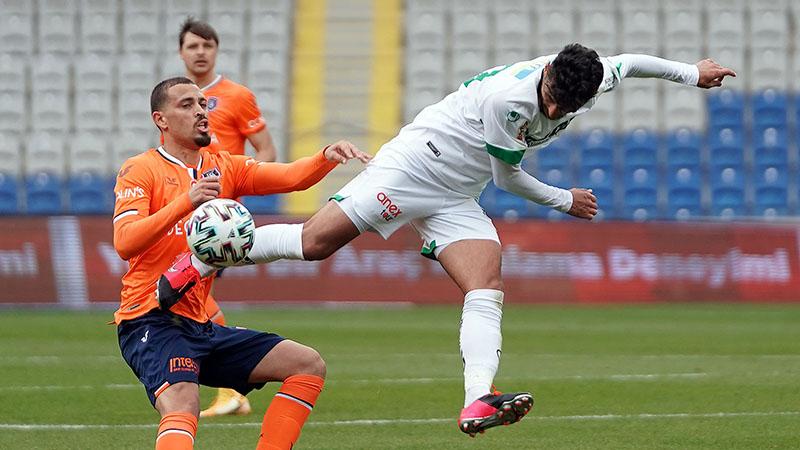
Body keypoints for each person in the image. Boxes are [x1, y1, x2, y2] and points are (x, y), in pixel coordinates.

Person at [158, 44, 737, 437]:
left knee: (485, 281)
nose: (556, 110)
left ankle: (477, 398)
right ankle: (203, 255)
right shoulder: (509, 99)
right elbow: (510, 177)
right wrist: (565, 199)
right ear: (548, 78)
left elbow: (631, 63)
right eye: (553, 97)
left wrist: (692, 74)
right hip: (415, 167)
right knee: (315, 244)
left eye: (568, 106)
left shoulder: (590, 76)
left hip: (458, 193)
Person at [114, 76, 369, 449]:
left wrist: (325, 156)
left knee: (306, 364)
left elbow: (291, 178)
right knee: (183, 401)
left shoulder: (223, 166)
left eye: (202, 103)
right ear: (161, 120)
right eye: (186, 105)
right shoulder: (140, 169)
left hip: (199, 324)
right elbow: (125, 242)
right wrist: (185, 202)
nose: (201, 111)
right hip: (149, 317)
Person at [177, 17, 279, 417]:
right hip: (186, 212)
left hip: (216, 221)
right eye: (192, 46)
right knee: (191, 295)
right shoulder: (172, 97)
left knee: (189, 294)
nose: (200, 52)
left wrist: (235, 197)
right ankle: (231, 388)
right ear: (181, 53)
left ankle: (231, 388)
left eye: (207, 45)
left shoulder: (237, 95)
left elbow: (266, 150)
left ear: (216, 50)